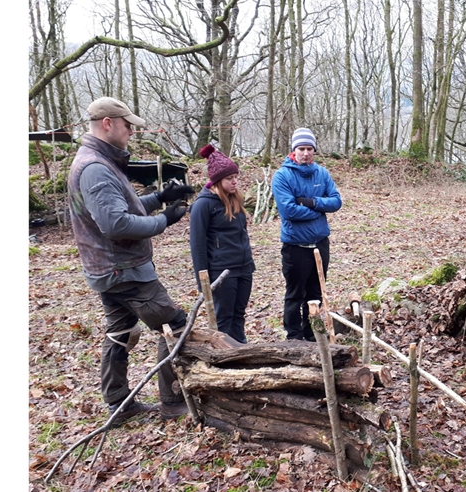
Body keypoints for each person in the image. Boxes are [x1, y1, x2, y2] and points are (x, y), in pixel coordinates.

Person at [67, 96, 195, 424]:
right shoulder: (95, 167)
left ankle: (118, 403)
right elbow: (115, 224)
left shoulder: (99, 161)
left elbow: (120, 205)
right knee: (174, 324)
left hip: (107, 268)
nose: (131, 132)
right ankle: (173, 400)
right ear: (107, 124)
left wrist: (158, 198)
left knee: (120, 330)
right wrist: (163, 221)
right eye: (127, 126)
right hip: (123, 270)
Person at [271, 128, 342, 341]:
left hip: (320, 243)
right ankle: (293, 337)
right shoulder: (282, 176)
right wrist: (319, 211)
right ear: (294, 150)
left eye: (309, 149)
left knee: (316, 293)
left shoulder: (322, 173)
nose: (305, 153)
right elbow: (288, 210)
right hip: (295, 246)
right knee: (295, 294)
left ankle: (313, 334)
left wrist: (312, 202)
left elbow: (336, 201)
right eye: (301, 149)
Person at [189, 144, 256, 343]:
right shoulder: (203, 205)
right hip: (221, 271)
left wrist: (248, 263)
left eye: (236, 177)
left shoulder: (235, 199)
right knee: (224, 317)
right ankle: (225, 354)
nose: (235, 182)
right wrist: (203, 281)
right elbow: (197, 245)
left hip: (243, 267)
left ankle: (240, 349)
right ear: (217, 181)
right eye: (229, 178)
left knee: (239, 313)